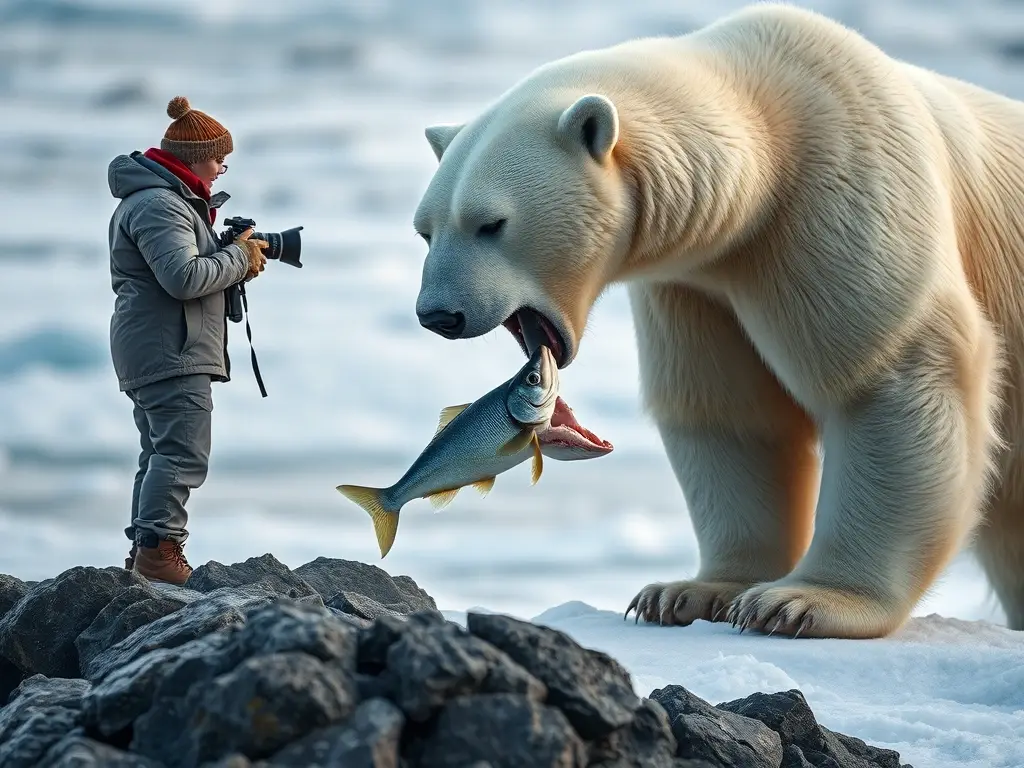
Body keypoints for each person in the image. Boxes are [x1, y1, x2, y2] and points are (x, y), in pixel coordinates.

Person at [106, 95, 267, 584]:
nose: (221, 170)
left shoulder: (163, 200)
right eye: (219, 159)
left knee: (160, 454)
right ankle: (159, 553)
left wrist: (233, 256)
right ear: (195, 158)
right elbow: (183, 278)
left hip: (161, 345)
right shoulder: (160, 204)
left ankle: (147, 553)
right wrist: (237, 258)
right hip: (170, 349)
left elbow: (185, 270)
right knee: (182, 454)